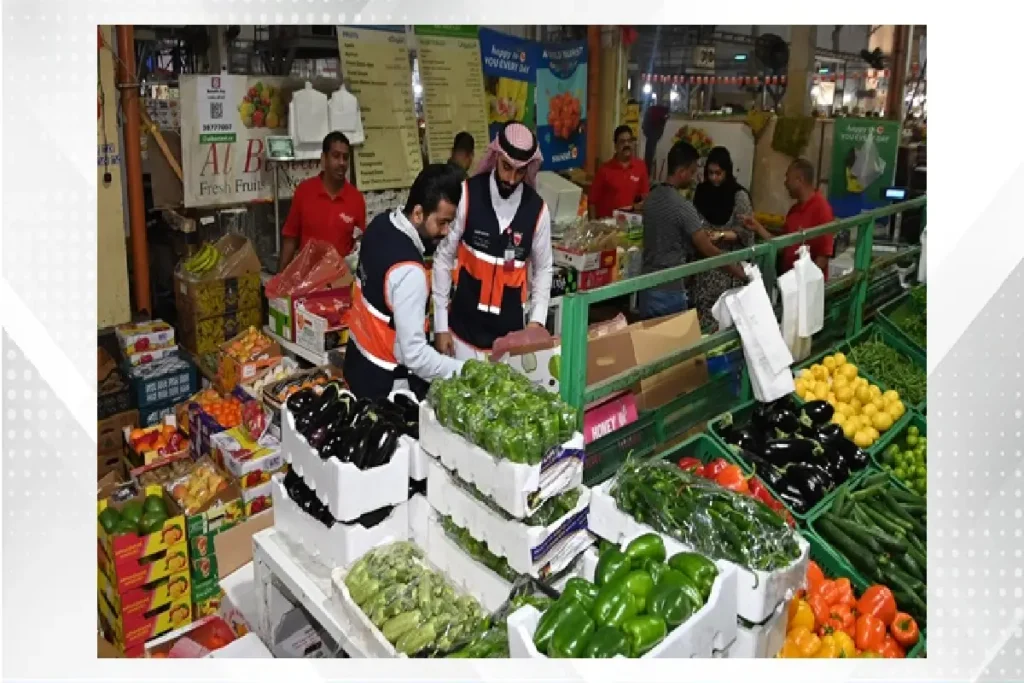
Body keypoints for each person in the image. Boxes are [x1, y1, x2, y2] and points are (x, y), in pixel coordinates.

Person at [432, 122, 553, 360]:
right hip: (460, 338)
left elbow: (544, 269)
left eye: (520, 172)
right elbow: (443, 258)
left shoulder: (538, 211)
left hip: (509, 344)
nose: (511, 178)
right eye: (506, 167)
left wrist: (537, 321)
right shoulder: (468, 194)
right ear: (496, 156)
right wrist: (440, 325)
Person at [343, 164, 465, 399]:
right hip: (386, 386)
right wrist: (463, 370)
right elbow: (415, 356)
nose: (446, 231)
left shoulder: (380, 224)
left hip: (356, 364)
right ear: (418, 214)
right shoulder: (410, 272)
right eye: (441, 222)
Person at [640, 141, 745, 320]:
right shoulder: (683, 207)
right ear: (682, 172)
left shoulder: (650, 198)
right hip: (670, 291)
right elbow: (708, 249)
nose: (694, 177)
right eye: (692, 171)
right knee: (675, 344)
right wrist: (738, 272)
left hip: (646, 288)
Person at [690, 146, 772, 331]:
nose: (714, 178)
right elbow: (694, 223)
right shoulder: (702, 192)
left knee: (726, 320)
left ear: (727, 171)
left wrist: (720, 234)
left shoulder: (739, 196)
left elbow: (745, 232)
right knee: (704, 317)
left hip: (729, 270)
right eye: (710, 173)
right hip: (705, 267)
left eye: (718, 173)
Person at [278, 131, 366, 271]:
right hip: (306, 281)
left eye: (345, 157)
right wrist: (281, 278)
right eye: (336, 156)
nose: (342, 162)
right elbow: (290, 237)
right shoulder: (304, 191)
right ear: (324, 159)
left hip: (340, 283)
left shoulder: (356, 199)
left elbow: (359, 245)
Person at [744, 158, 835, 278]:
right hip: (788, 286)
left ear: (799, 180)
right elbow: (783, 246)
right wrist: (758, 228)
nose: (785, 183)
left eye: (788, 178)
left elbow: (824, 256)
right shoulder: (794, 211)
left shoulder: (822, 209)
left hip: (806, 288)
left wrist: (804, 282)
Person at [587, 125, 650, 219]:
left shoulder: (640, 166)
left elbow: (645, 197)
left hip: (631, 224)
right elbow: (592, 201)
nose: (627, 145)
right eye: (622, 142)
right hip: (608, 226)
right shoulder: (604, 170)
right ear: (615, 146)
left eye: (629, 141)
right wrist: (593, 225)